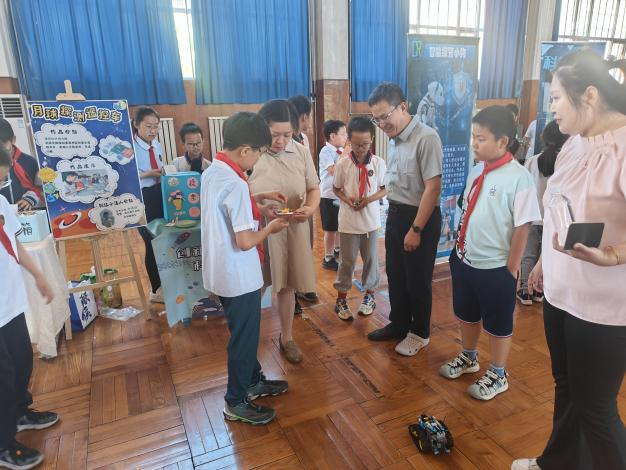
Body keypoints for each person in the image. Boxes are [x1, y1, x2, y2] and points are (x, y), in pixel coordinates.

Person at [513, 51, 626, 470]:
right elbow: (559, 209)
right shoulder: (575, 143)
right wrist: (543, 263)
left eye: (558, 96)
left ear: (589, 95)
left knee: (597, 409)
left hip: (605, 306)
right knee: (566, 388)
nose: (551, 107)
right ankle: (557, 463)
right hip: (561, 293)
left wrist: (612, 255)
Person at [439, 106, 541, 401]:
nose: (474, 143)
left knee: (498, 323)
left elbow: (523, 227)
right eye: (473, 136)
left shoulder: (519, 178)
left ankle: (498, 373)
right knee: (467, 313)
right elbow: (465, 208)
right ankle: (469, 357)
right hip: (465, 259)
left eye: (480, 138)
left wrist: (511, 268)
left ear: (502, 142)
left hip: (496, 266)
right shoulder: (476, 170)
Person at [201, 112, 290, 425]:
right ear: (244, 151)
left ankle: (253, 381)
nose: (259, 158)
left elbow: (231, 209)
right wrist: (272, 226)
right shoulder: (235, 185)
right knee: (243, 339)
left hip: (221, 271)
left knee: (245, 333)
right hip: (239, 275)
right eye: (259, 152)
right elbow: (244, 240)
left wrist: (260, 201)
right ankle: (236, 401)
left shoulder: (214, 171)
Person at [366, 82, 443, 358]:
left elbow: (432, 188)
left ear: (403, 107)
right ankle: (399, 324)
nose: (382, 123)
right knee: (396, 275)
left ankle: (419, 332)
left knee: (417, 279)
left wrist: (416, 229)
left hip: (419, 217)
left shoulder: (426, 138)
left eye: (385, 116)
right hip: (396, 214)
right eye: (377, 119)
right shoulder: (395, 139)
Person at [0, 146, 60, 470]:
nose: (4, 180)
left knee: (22, 361)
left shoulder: (1, 203)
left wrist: (39, 276)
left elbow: (14, 242)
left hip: (9, 302)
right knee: (2, 376)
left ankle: (20, 413)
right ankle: (3, 442)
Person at [248, 99, 320, 363]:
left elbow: (313, 187)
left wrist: (310, 209)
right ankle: (249, 340)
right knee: (254, 287)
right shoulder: (251, 154)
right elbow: (237, 196)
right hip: (260, 229)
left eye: (287, 135)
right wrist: (260, 208)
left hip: (292, 228)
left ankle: (286, 337)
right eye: (274, 134)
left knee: (288, 285)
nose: (280, 141)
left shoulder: (300, 151)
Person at [332, 117, 386, 320]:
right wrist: (347, 199)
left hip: (370, 222)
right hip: (348, 223)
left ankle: (369, 296)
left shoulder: (379, 163)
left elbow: (385, 188)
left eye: (365, 144)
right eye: (356, 144)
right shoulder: (344, 164)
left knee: (371, 260)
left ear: (372, 139)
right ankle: (341, 299)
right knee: (347, 262)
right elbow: (336, 189)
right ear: (349, 142)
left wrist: (368, 200)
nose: (361, 148)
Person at [517, 120, 568, 305]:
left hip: (532, 215)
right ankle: (539, 291)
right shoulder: (565, 162)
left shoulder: (532, 160)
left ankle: (524, 291)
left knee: (527, 254)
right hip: (552, 220)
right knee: (543, 254)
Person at [288, 95, 318, 307]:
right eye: (309, 117)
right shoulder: (284, 141)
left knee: (306, 244)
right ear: (304, 116)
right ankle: (292, 294)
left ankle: (304, 287)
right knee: (291, 249)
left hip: (305, 202)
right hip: (287, 203)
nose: (309, 122)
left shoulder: (304, 141)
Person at [133, 106, 165, 303]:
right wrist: (150, 174)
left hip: (158, 194)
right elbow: (126, 177)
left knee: (162, 240)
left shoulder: (157, 145)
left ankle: (164, 283)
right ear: (136, 125)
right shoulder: (128, 147)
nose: (152, 131)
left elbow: (159, 167)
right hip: (141, 197)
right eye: (148, 126)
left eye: (156, 127)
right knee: (151, 242)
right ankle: (155, 289)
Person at [318, 119, 349, 271]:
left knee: (338, 225)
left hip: (339, 195)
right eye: (343, 134)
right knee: (330, 229)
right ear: (332, 136)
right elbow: (333, 171)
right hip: (328, 196)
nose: (346, 137)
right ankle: (328, 257)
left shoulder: (340, 151)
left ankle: (337, 249)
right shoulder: (326, 152)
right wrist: (344, 154)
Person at [0, 119, 43, 211]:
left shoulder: (30, 162)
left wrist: (30, 199)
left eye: (3, 145)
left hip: (26, 215)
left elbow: (41, 188)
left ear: (13, 140)